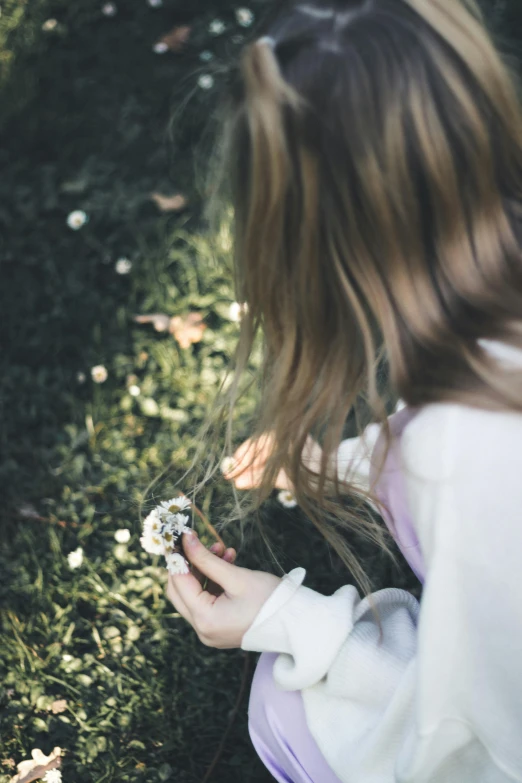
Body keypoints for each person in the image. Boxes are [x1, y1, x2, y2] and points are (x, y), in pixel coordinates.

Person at [166, 0, 522, 780]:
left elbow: (473, 739)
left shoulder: (462, 454)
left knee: (283, 706)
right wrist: (341, 462)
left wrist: (285, 619)